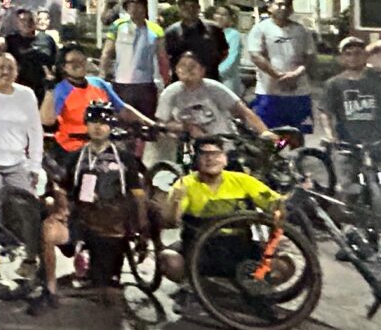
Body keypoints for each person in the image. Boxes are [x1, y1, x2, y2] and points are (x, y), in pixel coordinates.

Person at [0, 44, 48, 291]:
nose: (5, 71)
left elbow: (35, 131)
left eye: (10, 68)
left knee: (29, 211)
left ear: (17, 72)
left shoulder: (26, 95)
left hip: (17, 163)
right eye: (0, 67)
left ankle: (30, 259)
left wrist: (34, 165)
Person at [166, 134, 280, 297]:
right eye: (204, 154)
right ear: (196, 160)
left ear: (225, 159)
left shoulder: (243, 181)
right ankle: (193, 286)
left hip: (240, 248)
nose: (211, 159)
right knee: (169, 260)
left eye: (216, 154)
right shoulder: (185, 184)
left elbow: (274, 203)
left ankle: (252, 286)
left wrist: (279, 217)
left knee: (284, 264)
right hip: (201, 250)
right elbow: (171, 220)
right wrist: (176, 202)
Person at [59, 101, 145, 295]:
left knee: (103, 280)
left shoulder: (124, 158)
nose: (98, 127)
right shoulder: (75, 157)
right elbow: (64, 190)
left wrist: (142, 226)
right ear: (86, 124)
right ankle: (79, 251)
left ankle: (105, 265)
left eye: (104, 122)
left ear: (111, 126)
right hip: (82, 216)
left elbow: (137, 192)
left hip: (113, 221)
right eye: (93, 122)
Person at [320, 36, 381, 182]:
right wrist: (330, 135)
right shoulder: (334, 84)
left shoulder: (380, 82)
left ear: (365, 56)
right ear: (342, 58)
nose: (353, 58)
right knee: (347, 185)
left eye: (358, 53)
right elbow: (326, 112)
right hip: (348, 143)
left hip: (378, 142)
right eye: (348, 54)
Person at [42, 40, 131, 177]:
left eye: (82, 59)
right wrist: (50, 89)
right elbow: (47, 120)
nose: (79, 64)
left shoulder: (99, 84)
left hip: (103, 145)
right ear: (63, 67)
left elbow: (123, 110)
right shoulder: (60, 89)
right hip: (72, 149)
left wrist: (151, 124)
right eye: (73, 61)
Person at [157, 46, 268, 143]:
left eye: (192, 66)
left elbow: (243, 111)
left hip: (223, 142)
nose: (188, 70)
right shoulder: (170, 93)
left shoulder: (214, 88)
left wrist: (264, 132)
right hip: (191, 147)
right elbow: (162, 124)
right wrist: (187, 127)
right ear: (176, 70)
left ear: (202, 70)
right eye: (183, 66)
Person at [245, 0, 316, 132]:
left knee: (297, 133)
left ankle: (294, 148)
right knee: (269, 132)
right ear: (269, 7)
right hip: (269, 92)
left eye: (287, 5)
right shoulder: (260, 29)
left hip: (298, 92)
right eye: (279, 4)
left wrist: (296, 74)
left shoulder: (301, 30)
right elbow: (256, 55)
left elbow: (309, 56)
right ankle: (276, 147)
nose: (283, 8)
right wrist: (278, 76)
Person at [104, 0, 163, 120]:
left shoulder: (156, 29)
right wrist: (103, 75)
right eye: (131, 6)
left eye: (139, 6)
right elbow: (107, 52)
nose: (135, 10)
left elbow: (162, 57)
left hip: (145, 85)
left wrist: (166, 81)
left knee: (146, 121)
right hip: (121, 84)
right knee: (121, 121)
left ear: (145, 7)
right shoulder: (117, 26)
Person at [160, 0, 219, 83]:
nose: (190, 10)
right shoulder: (171, 32)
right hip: (181, 81)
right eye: (186, 8)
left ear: (199, 8)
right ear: (179, 9)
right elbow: (166, 57)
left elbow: (224, 52)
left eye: (193, 7)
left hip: (209, 79)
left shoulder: (213, 29)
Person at [0, 6, 54, 97]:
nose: (27, 23)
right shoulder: (11, 40)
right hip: (18, 87)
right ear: (17, 23)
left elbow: (53, 63)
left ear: (36, 21)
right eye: (23, 20)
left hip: (41, 88)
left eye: (30, 20)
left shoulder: (47, 40)